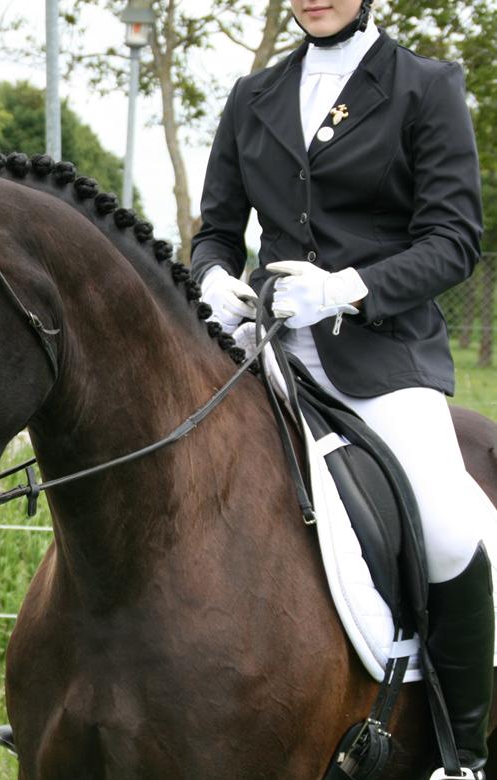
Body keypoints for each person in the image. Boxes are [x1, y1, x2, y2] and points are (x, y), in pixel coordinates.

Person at [191, 0, 493, 775]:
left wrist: (349, 288)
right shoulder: (252, 95)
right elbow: (216, 229)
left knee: (452, 527)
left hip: (382, 359)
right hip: (261, 352)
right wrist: (215, 278)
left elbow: (454, 239)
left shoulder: (426, 86)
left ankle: (463, 754)